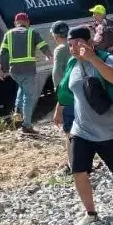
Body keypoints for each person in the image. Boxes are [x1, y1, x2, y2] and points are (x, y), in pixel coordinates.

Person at [54, 26, 113, 225]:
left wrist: (92, 58)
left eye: (77, 44)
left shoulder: (106, 58)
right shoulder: (72, 63)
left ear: (89, 43)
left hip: (108, 129)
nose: (73, 49)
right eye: (70, 45)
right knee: (78, 171)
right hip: (80, 129)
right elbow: (67, 89)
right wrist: (59, 109)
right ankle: (91, 213)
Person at [0, 12, 52, 134]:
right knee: (28, 97)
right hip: (28, 69)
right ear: (27, 22)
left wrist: (0, 68)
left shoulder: (8, 34)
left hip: (14, 71)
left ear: (15, 23)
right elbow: (43, 45)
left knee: (22, 88)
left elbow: (3, 53)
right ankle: (26, 125)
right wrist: (49, 55)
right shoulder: (32, 32)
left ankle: (17, 109)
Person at [50, 21, 74, 173]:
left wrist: (59, 101)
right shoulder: (76, 45)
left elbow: (58, 74)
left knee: (70, 131)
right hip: (81, 92)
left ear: (54, 35)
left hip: (68, 95)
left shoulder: (60, 49)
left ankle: (73, 164)